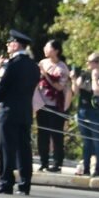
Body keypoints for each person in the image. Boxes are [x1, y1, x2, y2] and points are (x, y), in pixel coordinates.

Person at [0, 31, 40, 195]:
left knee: (7, 148)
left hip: (8, 111)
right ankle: (25, 184)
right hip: (25, 111)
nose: (7, 45)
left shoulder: (10, 64)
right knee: (24, 149)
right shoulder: (33, 66)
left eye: (10, 42)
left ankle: (6, 182)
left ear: (16, 45)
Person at [75, 51, 99, 176]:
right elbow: (75, 90)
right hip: (83, 110)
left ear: (97, 63)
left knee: (97, 141)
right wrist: (74, 79)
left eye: (90, 61)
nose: (87, 63)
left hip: (97, 113)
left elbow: (97, 92)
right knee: (86, 142)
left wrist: (94, 78)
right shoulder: (84, 75)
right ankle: (86, 168)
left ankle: (98, 169)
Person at [36, 39, 70, 173]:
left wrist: (46, 75)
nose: (45, 49)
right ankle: (43, 162)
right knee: (42, 134)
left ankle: (57, 163)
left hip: (55, 106)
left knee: (56, 135)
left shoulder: (62, 68)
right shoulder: (42, 63)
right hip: (41, 104)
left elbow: (59, 87)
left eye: (48, 47)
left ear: (56, 51)